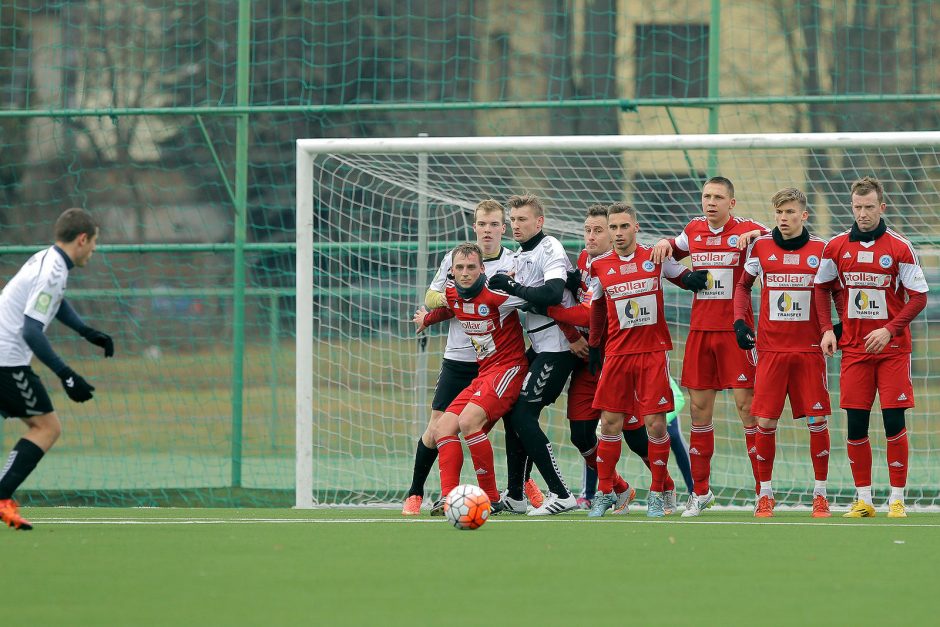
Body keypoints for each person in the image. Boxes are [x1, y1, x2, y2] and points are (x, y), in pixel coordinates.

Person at [651, 176, 768, 517]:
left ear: (732, 203)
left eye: (718, 197)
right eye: (706, 196)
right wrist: (665, 245)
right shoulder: (693, 229)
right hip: (700, 333)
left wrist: (759, 236)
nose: (711, 202)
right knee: (700, 413)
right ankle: (700, 493)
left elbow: (781, 236)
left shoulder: (748, 228)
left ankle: (764, 492)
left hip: (736, 333)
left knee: (748, 410)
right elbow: (669, 251)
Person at [815, 177, 928, 519]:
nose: (862, 213)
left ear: (882, 207)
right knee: (856, 424)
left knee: (893, 422)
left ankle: (897, 498)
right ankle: (863, 499)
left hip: (892, 352)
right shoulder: (835, 247)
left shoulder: (899, 247)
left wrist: (890, 329)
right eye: (857, 207)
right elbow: (821, 288)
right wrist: (826, 330)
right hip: (854, 351)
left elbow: (919, 297)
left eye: (869, 207)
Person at [587, 203, 708, 517]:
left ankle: (658, 492)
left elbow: (684, 277)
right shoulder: (599, 265)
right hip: (616, 356)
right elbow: (598, 309)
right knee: (609, 423)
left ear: (635, 227)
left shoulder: (655, 258)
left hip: (652, 354)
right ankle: (604, 493)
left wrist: (700, 277)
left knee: (655, 425)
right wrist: (595, 346)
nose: (617, 233)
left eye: (623, 226)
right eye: (612, 227)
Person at [0, 208, 113, 530]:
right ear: (82, 238)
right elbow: (31, 331)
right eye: (94, 242)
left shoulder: (48, 259)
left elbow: (55, 301)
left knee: (43, 426)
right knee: (47, 428)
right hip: (6, 361)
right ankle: (1, 496)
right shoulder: (53, 271)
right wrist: (67, 375)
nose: (94, 249)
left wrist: (85, 331)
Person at [401, 200, 515, 516]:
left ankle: (519, 490)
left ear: (502, 228)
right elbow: (431, 296)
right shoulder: (457, 260)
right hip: (459, 358)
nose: (488, 230)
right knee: (438, 427)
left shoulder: (513, 262)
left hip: (498, 361)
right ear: (475, 226)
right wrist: (456, 298)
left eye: (494, 224)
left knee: (514, 425)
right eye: (482, 224)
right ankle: (416, 492)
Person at [525, 204, 639, 514]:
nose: (591, 236)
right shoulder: (584, 261)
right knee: (580, 434)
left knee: (638, 435)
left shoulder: (614, 264)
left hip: (617, 357)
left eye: (598, 230)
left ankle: (664, 489)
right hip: (589, 359)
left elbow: (588, 314)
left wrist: (547, 309)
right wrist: (571, 334)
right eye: (587, 230)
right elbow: (570, 302)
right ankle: (618, 488)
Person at [733, 188, 835, 518]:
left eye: (790, 212)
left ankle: (820, 495)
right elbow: (742, 286)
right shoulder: (761, 246)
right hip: (772, 350)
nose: (783, 218)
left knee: (817, 420)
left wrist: (836, 328)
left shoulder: (821, 249)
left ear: (803, 215)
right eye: (779, 212)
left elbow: (835, 292)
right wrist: (739, 320)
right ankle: (765, 494)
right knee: (764, 420)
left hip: (809, 351)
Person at [486, 194, 582, 515]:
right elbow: (521, 300)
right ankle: (515, 494)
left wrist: (514, 289)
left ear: (539, 222)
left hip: (557, 349)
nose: (516, 225)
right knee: (511, 412)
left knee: (523, 416)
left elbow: (553, 292)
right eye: (513, 220)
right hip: (539, 347)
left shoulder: (549, 247)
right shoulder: (518, 257)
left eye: (522, 219)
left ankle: (561, 493)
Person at [412, 243, 529, 507]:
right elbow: (451, 307)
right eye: (460, 268)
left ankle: (492, 498)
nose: (465, 273)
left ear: (482, 269)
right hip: (484, 372)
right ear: (452, 272)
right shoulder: (452, 292)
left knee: (468, 423)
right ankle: (449, 499)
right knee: (442, 428)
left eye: (471, 267)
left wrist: (571, 335)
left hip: (508, 369)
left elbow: (541, 301)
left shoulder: (497, 294)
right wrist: (426, 319)